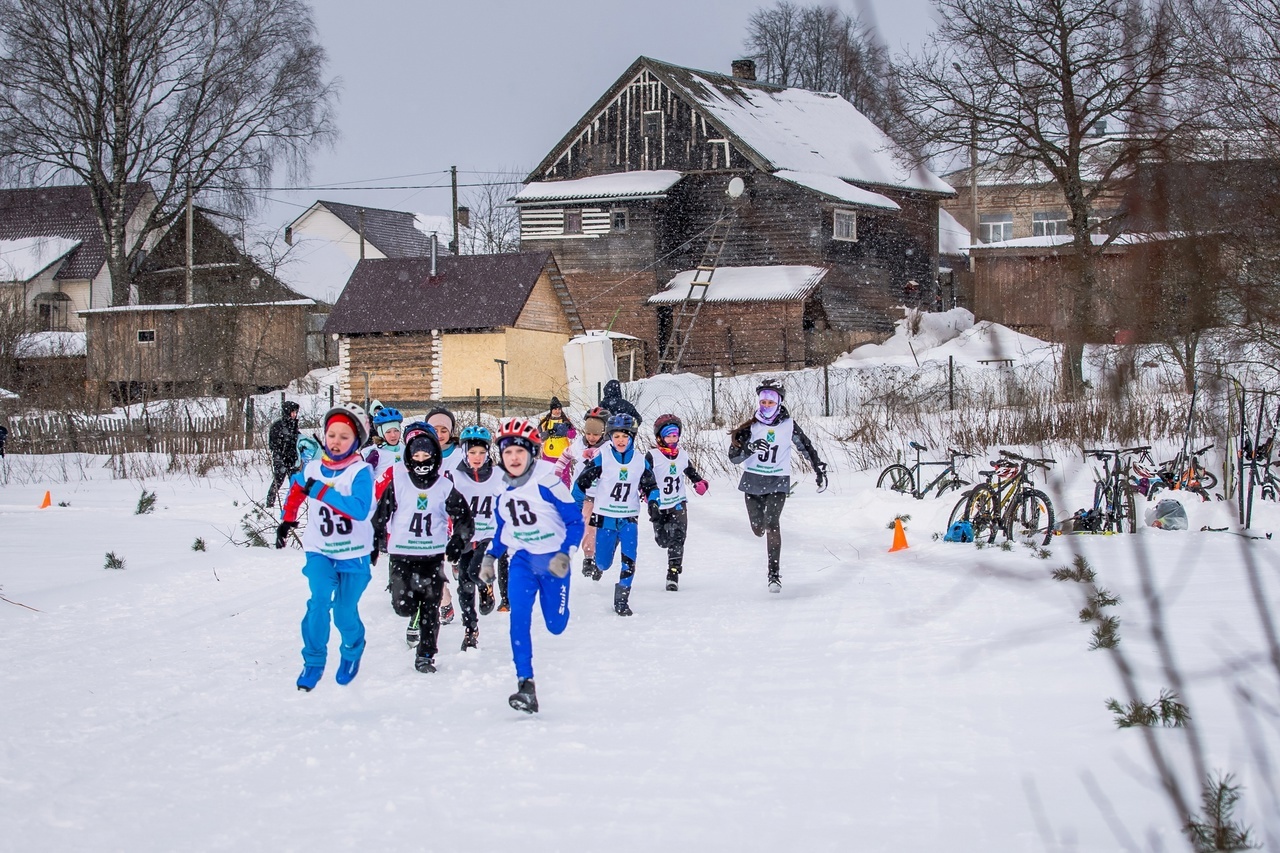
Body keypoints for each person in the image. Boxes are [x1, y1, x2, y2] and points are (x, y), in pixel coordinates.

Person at [478, 418, 583, 714]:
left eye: (519, 452)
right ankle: (526, 684)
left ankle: (560, 608)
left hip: (553, 563)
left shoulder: (548, 480)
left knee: (555, 625)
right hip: (522, 561)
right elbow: (501, 528)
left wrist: (565, 555)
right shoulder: (499, 485)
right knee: (518, 621)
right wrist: (490, 557)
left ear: (531, 453)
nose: (513, 458)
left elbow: (575, 522)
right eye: (507, 452)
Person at [275, 403, 377, 691]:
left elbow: (358, 509)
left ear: (356, 440)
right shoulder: (312, 468)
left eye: (344, 436)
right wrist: (288, 519)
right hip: (319, 549)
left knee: (345, 612)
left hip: (354, 553)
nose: (336, 441)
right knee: (319, 600)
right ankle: (314, 661)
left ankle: (352, 649)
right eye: (332, 434)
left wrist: (321, 492)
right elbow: (297, 487)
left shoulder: (360, 472)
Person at [371, 423, 473, 674]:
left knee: (430, 607)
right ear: (409, 458)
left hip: (432, 554)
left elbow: (463, 518)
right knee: (402, 605)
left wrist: (457, 541)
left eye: (426, 456)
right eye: (416, 457)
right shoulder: (399, 483)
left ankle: (426, 656)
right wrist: (375, 542)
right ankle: (411, 609)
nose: (421, 461)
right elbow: (381, 515)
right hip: (402, 553)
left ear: (434, 458)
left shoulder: (444, 486)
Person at [728, 380, 827, 593]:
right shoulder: (751, 426)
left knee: (772, 524)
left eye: (770, 402)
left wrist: (819, 470)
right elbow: (733, 458)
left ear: (779, 402)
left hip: (778, 482)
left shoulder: (788, 425)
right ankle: (760, 531)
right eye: (762, 401)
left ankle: (774, 575)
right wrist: (749, 448)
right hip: (752, 482)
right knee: (758, 529)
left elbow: (806, 447)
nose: (766, 405)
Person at [572, 412, 656, 617]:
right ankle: (602, 560)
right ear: (610, 437)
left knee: (630, 558)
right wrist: (575, 506)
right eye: (616, 436)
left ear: (632, 438)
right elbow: (580, 484)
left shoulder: (640, 461)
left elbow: (651, 486)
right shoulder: (602, 459)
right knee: (603, 563)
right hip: (604, 517)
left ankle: (622, 599)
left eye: (625, 436)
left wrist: (653, 501)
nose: (620, 440)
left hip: (629, 518)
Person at [446, 424, 507, 650]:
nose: (477, 457)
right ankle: (470, 629)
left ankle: (486, 586)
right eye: (472, 452)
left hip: (489, 535)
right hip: (464, 535)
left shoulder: (499, 474)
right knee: (463, 586)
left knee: (475, 572)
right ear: (464, 452)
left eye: (482, 452)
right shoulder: (455, 476)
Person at [645, 414, 708, 592]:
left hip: (678, 502)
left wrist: (699, 482)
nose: (672, 439)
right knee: (663, 541)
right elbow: (642, 477)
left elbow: (690, 471)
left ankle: (673, 573)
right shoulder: (652, 456)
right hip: (659, 504)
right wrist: (646, 495)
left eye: (675, 435)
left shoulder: (682, 455)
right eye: (668, 436)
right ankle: (667, 548)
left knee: (679, 537)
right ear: (660, 437)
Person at [555, 406, 610, 577]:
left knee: (603, 529)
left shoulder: (609, 448)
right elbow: (565, 455)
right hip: (584, 495)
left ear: (604, 432)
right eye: (588, 433)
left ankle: (601, 559)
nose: (591, 438)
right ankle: (588, 558)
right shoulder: (578, 444)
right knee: (588, 526)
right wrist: (557, 472)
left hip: (602, 495)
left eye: (595, 434)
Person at [425, 407, 461, 624]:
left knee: (451, 551)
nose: (439, 434)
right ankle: (445, 601)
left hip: (456, 513)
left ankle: (456, 559)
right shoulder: (422, 452)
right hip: (430, 513)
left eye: (443, 429)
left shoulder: (460, 454)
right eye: (434, 429)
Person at [266, 400, 301, 505]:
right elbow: (274, 444)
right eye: (292, 412)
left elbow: (297, 438)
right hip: (281, 458)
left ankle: (293, 503)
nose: (294, 415)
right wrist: (281, 455)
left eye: (295, 412)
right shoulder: (277, 426)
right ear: (287, 412)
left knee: (295, 482)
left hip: (292, 458)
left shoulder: (293, 424)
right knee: (278, 481)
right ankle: (270, 503)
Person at [538, 396, 576, 482]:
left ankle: (564, 494)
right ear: (551, 410)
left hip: (563, 454)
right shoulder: (544, 421)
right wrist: (548, 433)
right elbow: (538, 437)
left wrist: (567, 430)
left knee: (564, 478)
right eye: (555, 409)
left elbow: (572, 435)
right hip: (548, 454)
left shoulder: (566, 421)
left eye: (559, 409)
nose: (557, 411)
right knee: (549, 477)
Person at [364, 407, 404, 479]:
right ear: (381, 433)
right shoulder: (376, 453)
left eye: (396, 430)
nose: (393, 435)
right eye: (388, 432)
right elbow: (364, 478)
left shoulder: (405, 449)